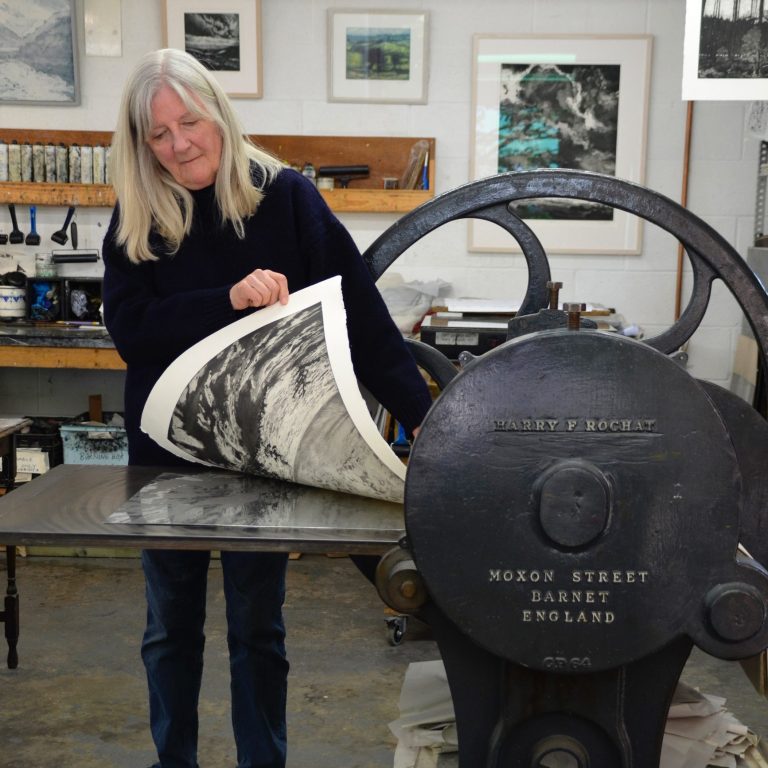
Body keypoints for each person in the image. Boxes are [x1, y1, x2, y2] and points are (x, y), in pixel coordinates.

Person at [102, 48, 432, 768]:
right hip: (166, 462)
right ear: (141, 143)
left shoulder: (285, 198)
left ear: (218, 113)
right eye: (158, 134)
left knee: (257, 628)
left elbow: (366, 327)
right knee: (169, 629)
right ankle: (174, 761)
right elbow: (130, 331)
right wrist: (225, 301)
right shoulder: (139, 214)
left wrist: (432, 429)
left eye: (189, 121)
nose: (179, 143)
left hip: (265, 458)